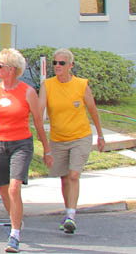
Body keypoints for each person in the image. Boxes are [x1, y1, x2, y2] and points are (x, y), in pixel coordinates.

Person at [0, 48, 52, 254]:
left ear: (12, 69)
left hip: (21, 143)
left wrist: (47, 149)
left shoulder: (27, 92)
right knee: (4, 189)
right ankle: (16, 218)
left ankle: (14, 233)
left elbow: (38, 123)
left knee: (15, 188)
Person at [38, 48, 106, 234]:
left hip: (80, 136)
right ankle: (68, 212)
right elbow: (40, 109)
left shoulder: (81, 85)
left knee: (74, 175)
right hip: (58, 138)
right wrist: (40, 134)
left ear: (70, 65)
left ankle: (71, 215)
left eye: (61, 63)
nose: (57, 66)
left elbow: (93, 111)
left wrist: (100, 135)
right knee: (64, 177)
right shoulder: (48, 85)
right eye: (55, 63)